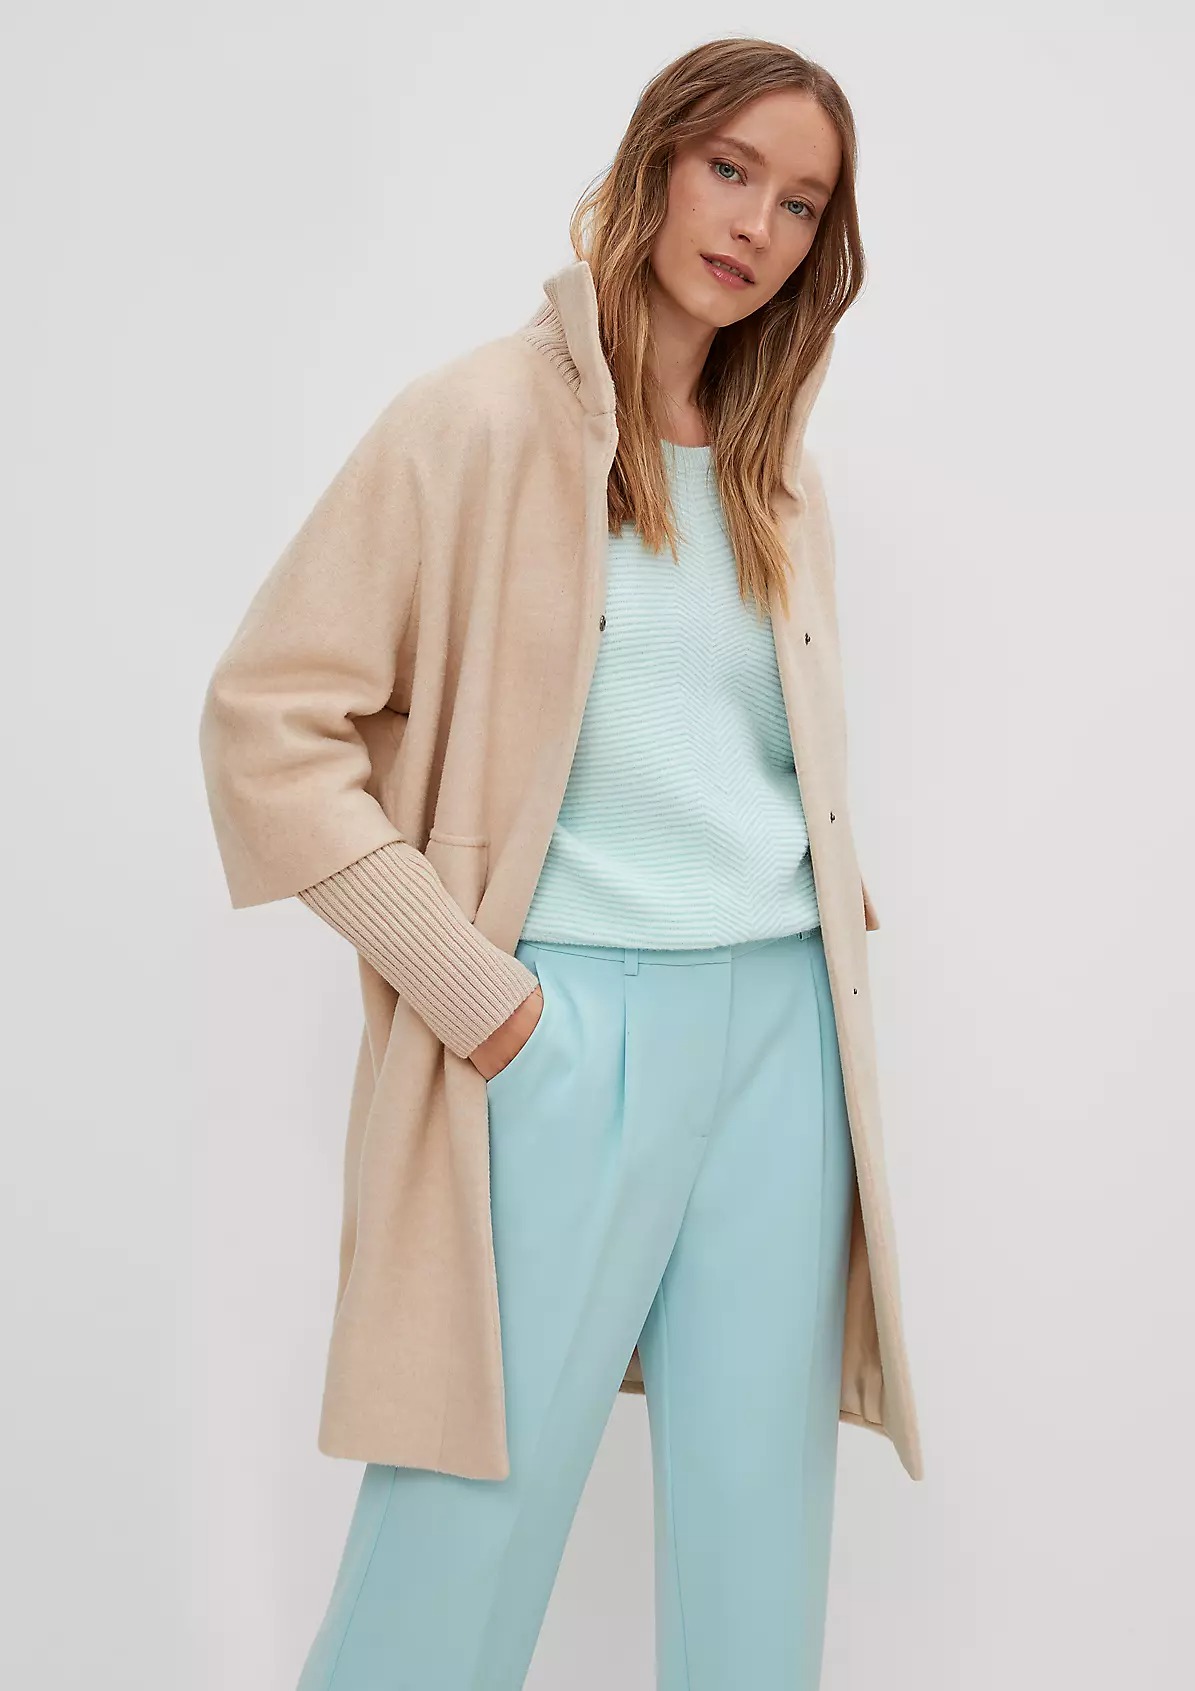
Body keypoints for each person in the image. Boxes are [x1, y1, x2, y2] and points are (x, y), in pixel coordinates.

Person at [199, 33, 923, 1691]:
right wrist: (484, 1000)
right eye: (730, 169)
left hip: (784, 1040)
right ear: (656, 160)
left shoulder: (776, 476)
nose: (755, 225)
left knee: (759, 1547)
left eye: (801, 204)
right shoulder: (473, 422)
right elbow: (266, 724)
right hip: (563, 1031)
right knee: (457, 1546)